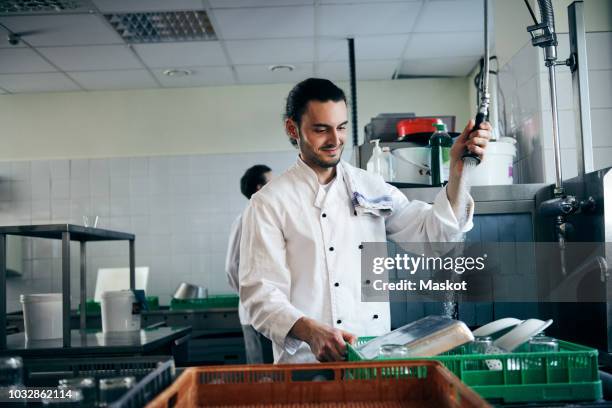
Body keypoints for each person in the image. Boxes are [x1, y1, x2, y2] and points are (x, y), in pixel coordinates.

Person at [239, 78, 492, 364]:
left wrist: (459, 172)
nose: (335, 140)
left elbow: (435, 238)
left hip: (372, 356)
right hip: (306, 365)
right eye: (321, 129)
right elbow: (260, 295)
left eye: (342, 127)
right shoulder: (269, 203)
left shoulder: (370, 186)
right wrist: (310, 331)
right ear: (292, 129)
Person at [225, 164, 274, 364]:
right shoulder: (244, 219)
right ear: (259, 188)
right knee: (262, 375)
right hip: (254, 311)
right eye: (272, 182)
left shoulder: (269, 218)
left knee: (277, 375)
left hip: (272, 310)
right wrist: (250, 296)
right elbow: (231, 266)